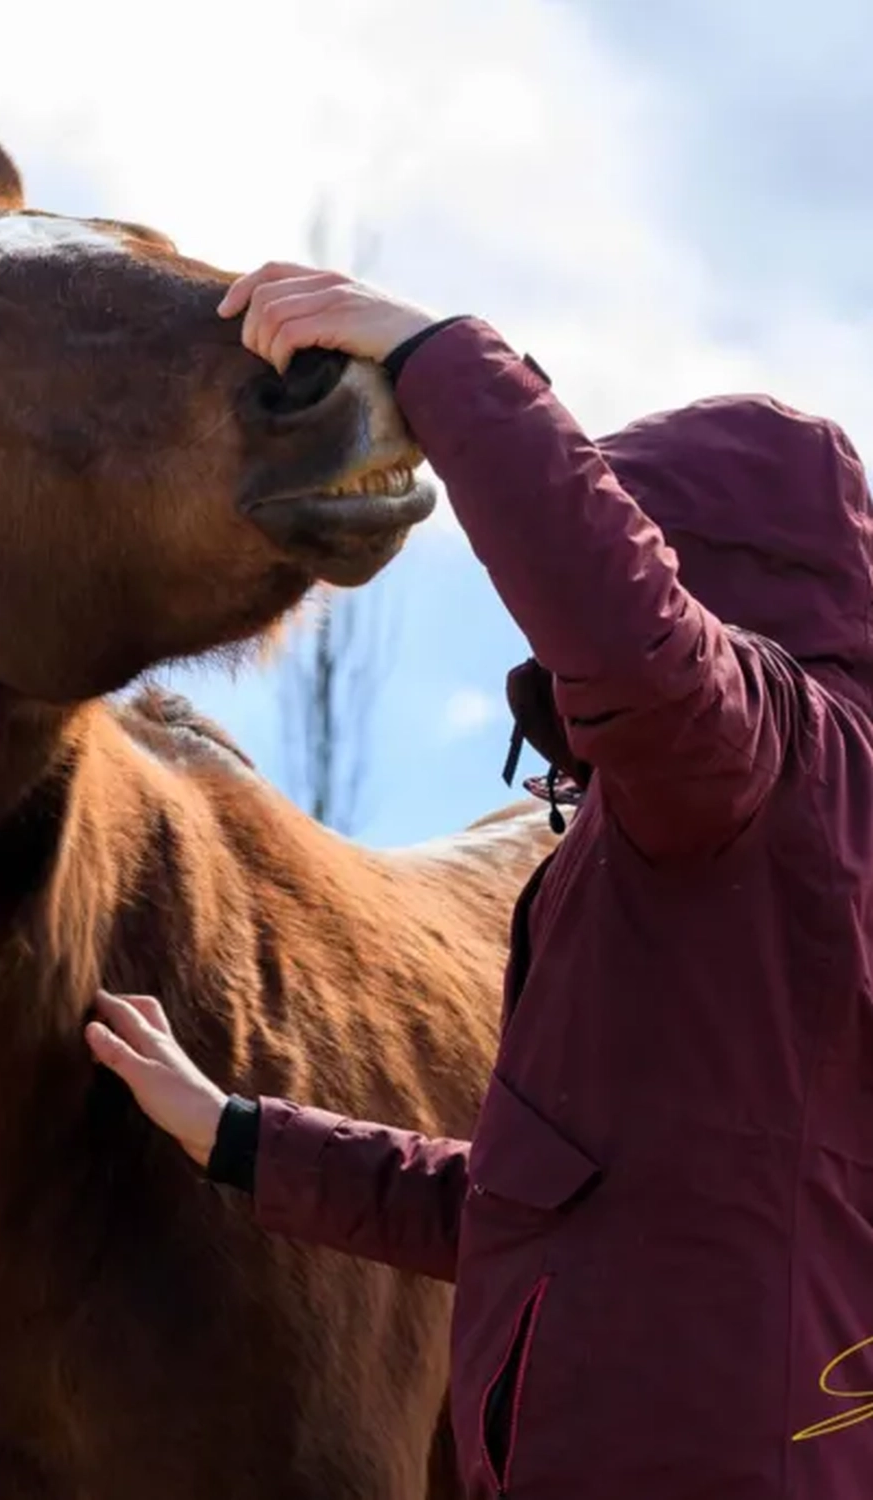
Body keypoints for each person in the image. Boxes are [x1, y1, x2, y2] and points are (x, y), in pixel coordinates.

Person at [85, 263, 873, 1499]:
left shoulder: (763, 765)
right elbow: (542, 1208)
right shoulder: (766, 848)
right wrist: (238, 1135)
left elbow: (624, 625)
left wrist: (437, 357)